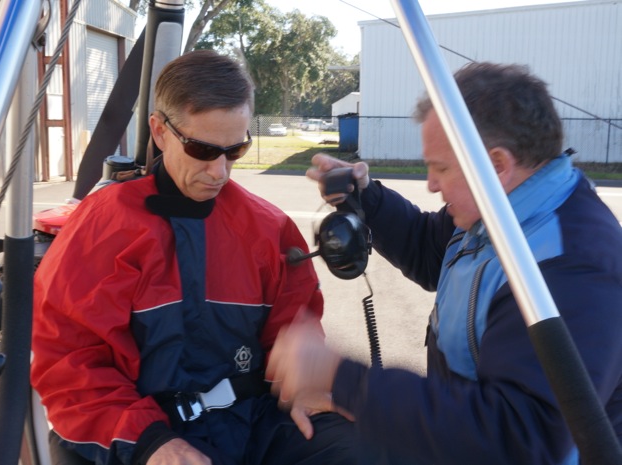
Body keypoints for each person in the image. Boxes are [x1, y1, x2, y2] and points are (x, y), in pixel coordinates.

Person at [266, 62, 622, 464]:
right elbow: (432, 251)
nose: (431, 183)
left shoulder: (572, 266)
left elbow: (522, 435)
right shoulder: (496, 211)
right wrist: (367, 197)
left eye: (440, 168)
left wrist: (343, 378)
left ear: (497, 165)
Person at [31, 50, 361, 465]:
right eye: (203, 150)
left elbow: (295, 331)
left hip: (252, 421)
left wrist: (304, 385)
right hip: (141, 429)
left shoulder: (268, 229)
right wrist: (151, 443)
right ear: (160, 131)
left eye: (235, 150)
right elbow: (69, 362)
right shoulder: (103, 228)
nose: (220, 172)